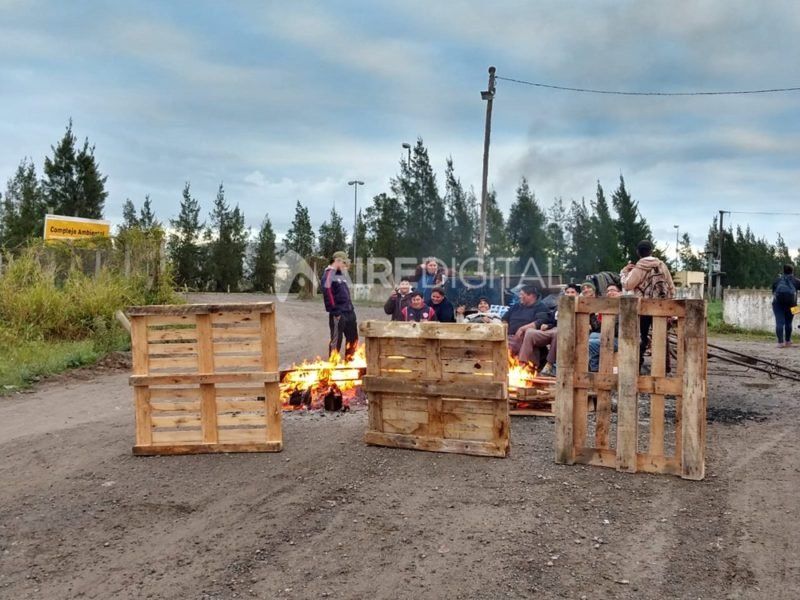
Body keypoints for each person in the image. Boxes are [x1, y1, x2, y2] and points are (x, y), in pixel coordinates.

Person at [620, 239, 676, 366]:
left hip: (644, 307)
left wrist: (624, 273)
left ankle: (638, 364)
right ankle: (663, 366)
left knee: (642, 336)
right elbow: (671, 286)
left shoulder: (639, 268)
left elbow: (627, 285)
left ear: (638, 252)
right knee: (661, 336)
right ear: (651, 251)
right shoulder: (661, 265)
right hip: (661, 307)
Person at [322, 251, 358, 361]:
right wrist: (335, 311)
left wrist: (351, 307)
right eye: (344, 263)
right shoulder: (328, 274)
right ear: (337, 261)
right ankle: (332, 366)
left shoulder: (341, 274)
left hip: (349, 311)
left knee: (353, 338)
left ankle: (350, 362)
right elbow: (328, 293)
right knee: (336, 340)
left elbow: (345, 293)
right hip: (338, 313)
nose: (345, 265)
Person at [502, 285, 555, 356]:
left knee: (510, 348)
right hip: (510, 337)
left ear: (531, 296)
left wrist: (522, 328)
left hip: (526, 339)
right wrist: (504, 331)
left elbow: (542, 321)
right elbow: (504, 319)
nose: (519, 296)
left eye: (522, 294)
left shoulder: (541, 307)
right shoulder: (516, 306)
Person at [589, 283, 621, 372]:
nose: (610, 292)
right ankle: (595, 366)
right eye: (608, 291)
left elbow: (618, 331)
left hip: (622, 339)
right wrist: (592, 314)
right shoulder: (607, 307)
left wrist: (609, 324)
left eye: (613, 290)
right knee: (592, 335)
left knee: (590, 343)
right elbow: (598, 327)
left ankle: (594, 370)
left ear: (620, 293)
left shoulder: (623, 307)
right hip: (610, 335)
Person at [771, 264, 800, 347]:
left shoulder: (777, 280)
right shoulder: (796, 281)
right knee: (789, 323)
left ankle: (780, 343)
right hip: (793, 305)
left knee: (779, 322)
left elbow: (773, 292)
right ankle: (788, 341)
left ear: (783, 271)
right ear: (792, 271)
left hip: (777, 304)